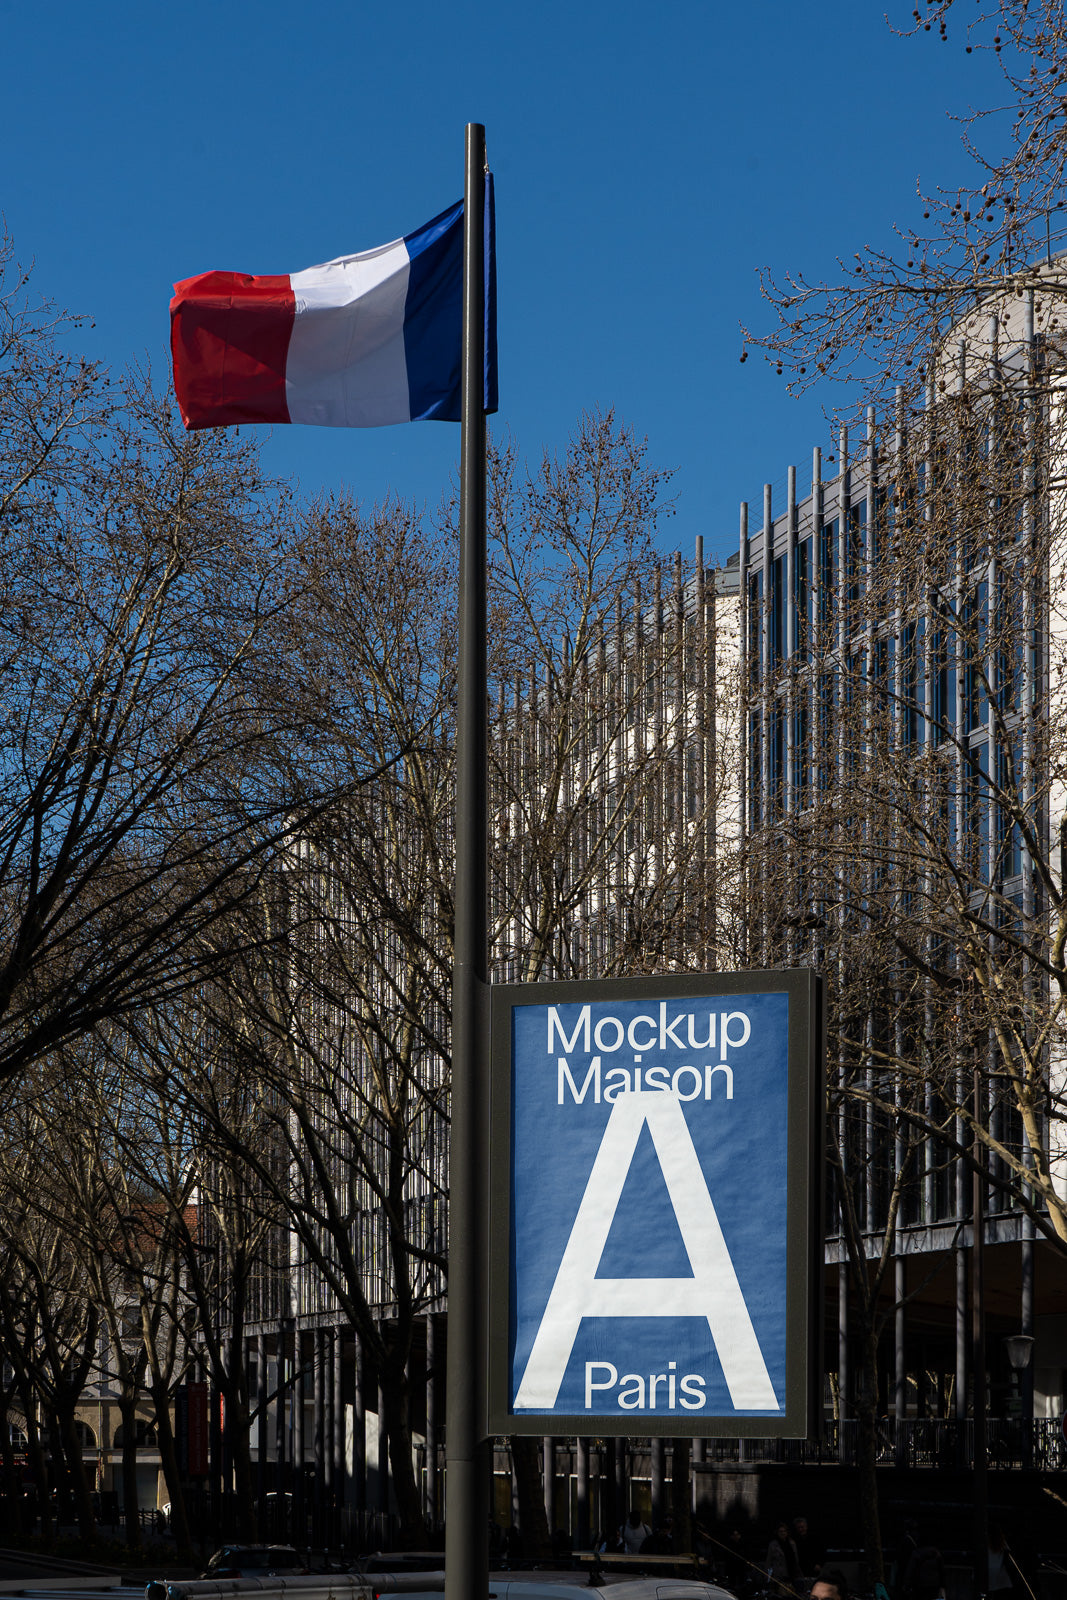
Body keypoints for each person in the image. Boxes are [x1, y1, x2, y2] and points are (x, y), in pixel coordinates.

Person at [767, 1522, 802, 1595]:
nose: (783, 1533)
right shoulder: (773, 1545)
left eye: (784, 1531)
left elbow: (796, 1559)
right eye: (780, 1531)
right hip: (780, 1575)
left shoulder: (792, 1543)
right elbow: (769, 1561)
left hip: (792, 1573)